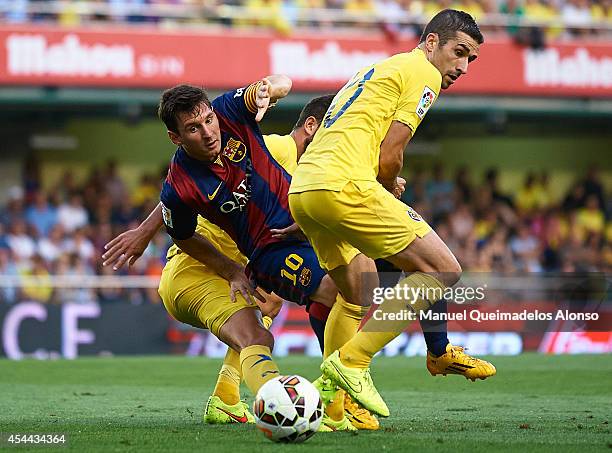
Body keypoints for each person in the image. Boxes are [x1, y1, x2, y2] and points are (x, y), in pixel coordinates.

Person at [288, 9, 495, 417]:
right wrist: (385, 183)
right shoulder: (423, 72)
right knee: (441, 269)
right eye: (459, 52)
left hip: (306, 189)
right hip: (345, 184)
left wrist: (377, 177)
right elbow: (391, 153)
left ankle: (334, 408)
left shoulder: (380, 68)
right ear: (431, 42)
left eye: (471, 59)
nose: (463, 67)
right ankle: (353, 362)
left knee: (352, 295)